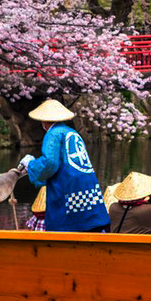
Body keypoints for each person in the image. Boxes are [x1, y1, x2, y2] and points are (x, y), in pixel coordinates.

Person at [16, 98, 110, 233]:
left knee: (67, 221)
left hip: (68, 184)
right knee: (89, 216)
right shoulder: (72, 132)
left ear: (43, 121)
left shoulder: (53, 134)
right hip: (86, 183)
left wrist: (30, 164)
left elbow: (50, 163)